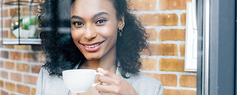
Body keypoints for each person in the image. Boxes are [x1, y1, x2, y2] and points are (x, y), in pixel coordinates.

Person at [35, 0, 163, 95]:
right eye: (78, 23)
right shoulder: (47, 79)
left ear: (120, 21)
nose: (89, 34)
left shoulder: (151, 88)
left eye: (100, 21)